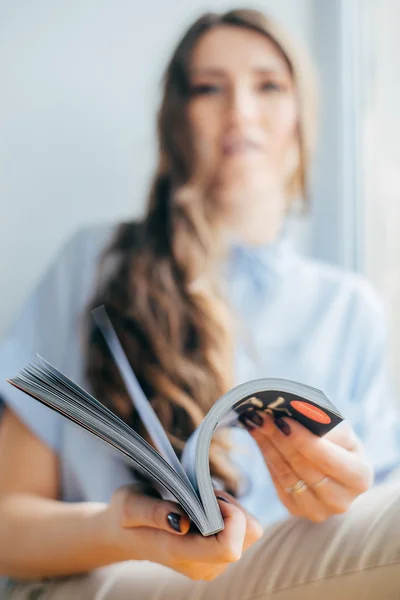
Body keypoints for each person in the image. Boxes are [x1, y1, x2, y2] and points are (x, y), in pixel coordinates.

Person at [1, 7, 400, 599]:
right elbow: (8, 524)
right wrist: (123, 529)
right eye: (210, 88)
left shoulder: (349, 310)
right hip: (110, 579)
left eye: (269, 85)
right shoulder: (96, 265)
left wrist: (344, 494)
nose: (240, 111)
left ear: (302, 118)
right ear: (177, 121)